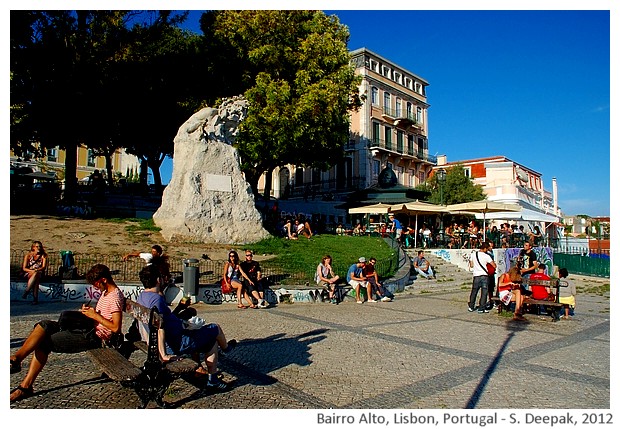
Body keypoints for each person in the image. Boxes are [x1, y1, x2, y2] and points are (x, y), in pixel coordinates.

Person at [10, 264, 125, 402]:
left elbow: (115, 327)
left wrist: (95, 316)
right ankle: (16, 358)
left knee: (44, 343)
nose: (95, 287)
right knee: (43, 325)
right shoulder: (105, 292)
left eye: (96, 284)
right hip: (86, 328)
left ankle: (26, 386)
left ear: (104, 280)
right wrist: (88, 313)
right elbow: (102, 316)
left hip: (94, 336)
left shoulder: (115, 297)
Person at [137, 264, 236, 390]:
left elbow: (154, 323)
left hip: (168, 339)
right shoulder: (157, 300)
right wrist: (164, 355)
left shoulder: (142, 297)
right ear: (158, 280)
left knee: (205, 335)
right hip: (176, 343)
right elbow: (159, 328)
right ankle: (224, 352)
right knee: (214, 330)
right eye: (161, 277)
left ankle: (211, 373)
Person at [468, 241, 496, 313]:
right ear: (485, 248)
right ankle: (481, 308)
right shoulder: (487, 256)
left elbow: (471, 265)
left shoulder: (473, 254)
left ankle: (471, 306)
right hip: (484, 275)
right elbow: (494, 265)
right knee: (484, 292)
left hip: (476, 275)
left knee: (474, 291)